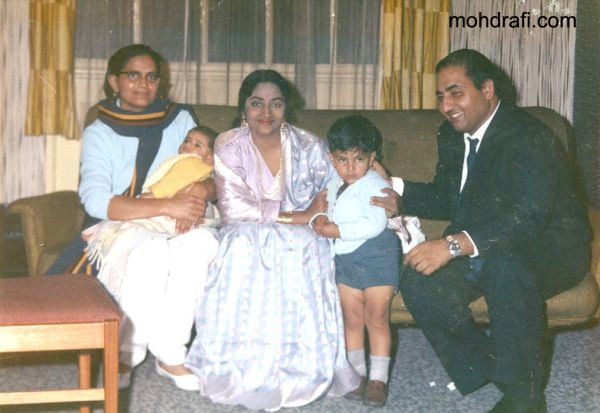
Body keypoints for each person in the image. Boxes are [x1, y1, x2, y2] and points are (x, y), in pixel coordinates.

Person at [371, 49, 591, 413]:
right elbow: (448, 197)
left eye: (456, 92)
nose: (446, 105)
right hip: (490, 242)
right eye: (441, 96)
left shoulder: (529, 136)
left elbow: (529, 216)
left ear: (487, 89)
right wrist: (395, 188)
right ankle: (490, 368)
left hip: (550, 243)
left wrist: (454, 244)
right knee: (419, 280)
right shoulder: (452, 134)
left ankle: (525, 398)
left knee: (506, 268)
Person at [185, 69, 359, 411]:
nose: (266, 113)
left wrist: (319, 213)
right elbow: (235, 209)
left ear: (286, 108)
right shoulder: (228, 143)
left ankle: (301, 367)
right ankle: (246, 367)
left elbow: (335, 183)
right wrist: (297, 216)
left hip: (301, 232)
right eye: (256, 103)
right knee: (244, 246)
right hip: (247, 229)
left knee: (307, 245)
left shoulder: (309, 144)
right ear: (243, 108)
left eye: (276, 104)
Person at [48, 44, 216, 391]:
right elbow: (95, 199)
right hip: (126, 220)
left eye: (152, 76)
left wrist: (204, 190)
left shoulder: (180, 118)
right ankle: (125, 353)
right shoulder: (100, 130)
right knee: (151, 251)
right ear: (114, 81)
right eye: (133, 75)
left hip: (182, 217)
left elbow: (211, 168)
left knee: (201, 243)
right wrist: (168, 205)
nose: (143, 83)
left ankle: (171, 352)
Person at [311, 115, 402, 407]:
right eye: (342, 159)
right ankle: (357, 376)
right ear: (331, 158)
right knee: (351, 319)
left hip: (377, 256)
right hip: (346, 259)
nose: (350, 168)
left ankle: (378, 379)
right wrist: (322, 217)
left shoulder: (375, 184)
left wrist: (336, 230)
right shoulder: (334, 181)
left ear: (372, 158)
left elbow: (374, 224)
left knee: (376, 318)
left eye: (359, 159)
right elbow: (326, 208)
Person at [84, 125, 218, 305]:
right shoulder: (100, 132)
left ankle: (104, 232)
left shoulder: (189, 161)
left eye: (196, 145)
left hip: (168, 207)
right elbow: (95, 200)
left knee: (142, 229)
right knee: (146, 241)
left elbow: (172, 183)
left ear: (209, 157)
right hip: (156, 207)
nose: (187, 146)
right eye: (186, 140)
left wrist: (151, 197)